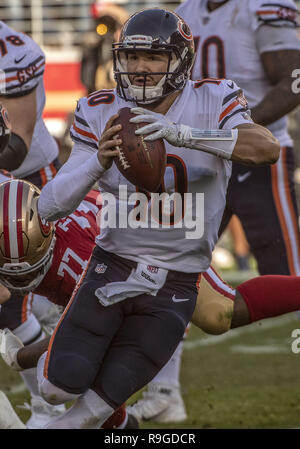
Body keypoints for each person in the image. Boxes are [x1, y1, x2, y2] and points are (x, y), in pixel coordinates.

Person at [20, 8, 288, 429]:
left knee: (99, 401)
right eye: (132, 57)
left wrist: (182, 134)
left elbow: (266, 148)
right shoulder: (99, 108)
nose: (141, 68)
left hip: (178, 279)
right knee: (57, 388)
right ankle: (68, 356)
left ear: (181, 60)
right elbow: (52, 206)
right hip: (113, 266)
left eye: (155, 57)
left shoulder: (213, 98)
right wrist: (96, 162)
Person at [128, 0, 300, 424]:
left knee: (290, 272)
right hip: (195, 160)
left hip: (256, 159)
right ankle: (166, 391)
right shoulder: (186, 9)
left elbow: (294, 80)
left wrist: (230, 131)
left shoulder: (264, 5)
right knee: (168, 268)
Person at [0, 178, 138, 429]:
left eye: (28, 272)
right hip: (102, 267)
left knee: (59, 381)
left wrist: (20, 357)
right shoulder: (29, 236)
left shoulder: (77, 264)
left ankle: (126, 423)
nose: (21, 282)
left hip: (139, 274)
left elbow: (80, 334)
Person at [0, 20, 64, 427]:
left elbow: (17, 143)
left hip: (24, 184)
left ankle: (52, 405)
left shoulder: (12, 51)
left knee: (17, 303)